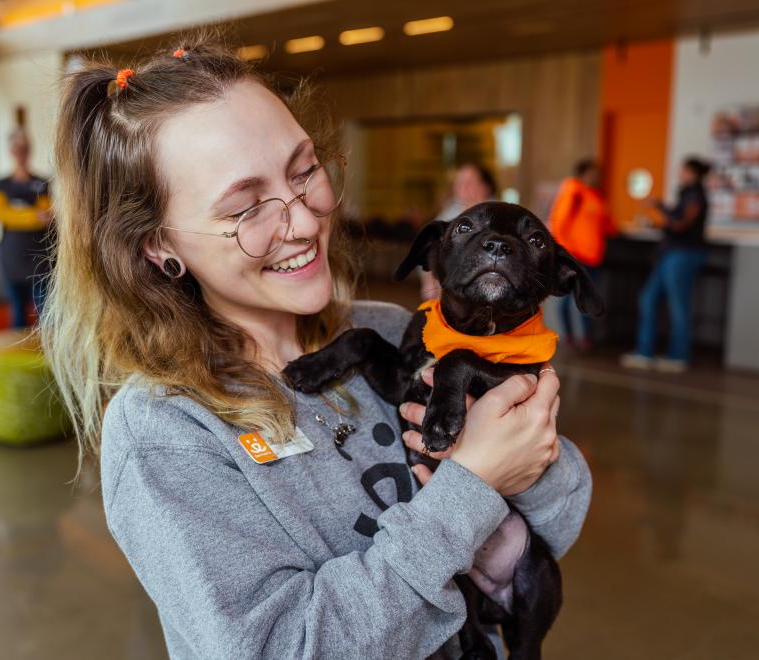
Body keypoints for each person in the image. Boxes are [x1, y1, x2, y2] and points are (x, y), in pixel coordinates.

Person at [41, 42, 591, 659]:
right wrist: (472, 486)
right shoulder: (166, 431)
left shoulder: (389, 332)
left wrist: (532, 459)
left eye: (304, 171)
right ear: (156, 246)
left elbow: (557, 527)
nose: (303, 221)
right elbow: (284, 647)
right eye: (247, 206)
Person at [621, 157, 711, 373]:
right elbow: (676, 223)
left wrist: (659, 208)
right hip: (671, 254)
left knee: (678, 305)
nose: (680, 173)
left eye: (683, 170)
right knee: (648, 299)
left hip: (683, 255)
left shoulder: (695, 195)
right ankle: (644, 352)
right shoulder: (687, 194)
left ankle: (678, 356)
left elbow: (681, 225)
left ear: (693, 172)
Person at [549, 159, 615, 350]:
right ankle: (569, 337)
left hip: (593, 258)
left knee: (587, 300)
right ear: (583, 173)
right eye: (593, 173)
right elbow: (559, 223)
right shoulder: (574, 191)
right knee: (566, 300)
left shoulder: (597, 196)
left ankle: (584, 338)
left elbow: (607, 225)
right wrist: (566, 252)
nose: (597, 177)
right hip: (575, 256)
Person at [0, 129, 52, 327]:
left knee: (45, 313)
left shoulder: (41, 183)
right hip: (11, 259)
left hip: (39, 258)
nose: (20, 153)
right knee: (17, 314)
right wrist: (33, 216)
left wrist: (20, 216)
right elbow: (2, 214)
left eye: (24, 148)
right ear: (10, 151)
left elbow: (46, 215)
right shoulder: (0, 185)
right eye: (16, 148)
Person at [420, 163, 497, 298]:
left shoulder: (497, 211)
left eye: (469, 182)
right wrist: (429, 279)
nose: (462, 187)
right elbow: (430, 242)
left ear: (486, 187)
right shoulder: (453, 208)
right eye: (459, 183)